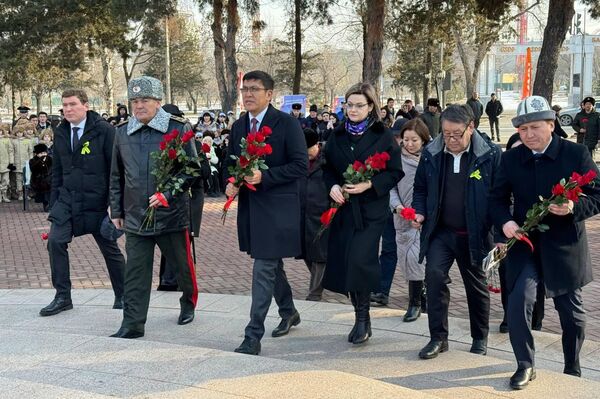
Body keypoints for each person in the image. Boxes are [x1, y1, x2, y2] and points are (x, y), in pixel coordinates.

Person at [489, 95, 600, 389]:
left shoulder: (575, 154)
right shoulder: (510, 157)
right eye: (522, 130)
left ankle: (572, 365)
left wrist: (574, 208)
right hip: (525, 244)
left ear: (551, 124)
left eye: (535, 127)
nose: (528, 135)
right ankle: (525, 364)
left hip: (564, 246)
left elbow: (597, 195)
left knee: (571, 313)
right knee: (518, 302)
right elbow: (496, 199)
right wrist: (506, 222)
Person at [109, 76, 200, 339]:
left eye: (145, 100)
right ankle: (132, 324)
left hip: (170, 214)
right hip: (136, 216)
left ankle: (188, 303)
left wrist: (168, 194)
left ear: (158, 102)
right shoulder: (122, 131)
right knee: (136, 272)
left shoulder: (178, 128)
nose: (139, 105)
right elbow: (116, 175)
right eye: (135, 101)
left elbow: (192, 169)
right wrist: (117, 211)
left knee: (182, 268)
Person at [224, 71, 307, 355]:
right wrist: (230, 181)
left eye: (255, 89)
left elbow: (300, 165)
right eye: (244, 89)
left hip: (278, 208)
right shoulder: (238, 126)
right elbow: (230, 163)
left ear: (270, 94)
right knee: (270, 265)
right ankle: (289, 311)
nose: (248, 94)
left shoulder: (286, 124)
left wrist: (265, 177)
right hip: (250, 208)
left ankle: (252, 335)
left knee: (263, 267)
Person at [412, 104, 501, 360]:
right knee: (435, 277)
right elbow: (420, 189)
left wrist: (498, 234)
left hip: (475, 233)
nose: (450, 140)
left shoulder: (490, 154)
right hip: (441, 231)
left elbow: (501, 194)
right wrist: (420, 211)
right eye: (446, 133)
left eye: (457, 134)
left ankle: (479, 337)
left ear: (471, 127)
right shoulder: (432, 152)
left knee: (476, 287)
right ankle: (438, 338)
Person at [322, 82, 403, 345]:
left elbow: (394, 171)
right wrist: (333, 185)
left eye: (359, 105)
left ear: (371, 107)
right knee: (346, 262)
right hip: (344, 209)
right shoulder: (337, 135)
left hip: (371, 210)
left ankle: (362, 317)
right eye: (349, 104)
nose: (353, 109)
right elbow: (327, 168)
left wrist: (370, 184)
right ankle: (360, 311)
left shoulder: (383, 135)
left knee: (360, 259)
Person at [40, 89, 125, 317]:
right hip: (68, 200)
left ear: (85, 106)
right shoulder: (60, 132)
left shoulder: (104, 130)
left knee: (110, 248)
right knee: (55, 242)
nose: (68, 109)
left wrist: (114, 205)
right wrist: (55, 201)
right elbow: (57, 170)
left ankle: (124, 294)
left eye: (72, 104)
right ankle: (62, 297)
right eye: (64, 105)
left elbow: (116, 169)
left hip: (99, 201)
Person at [157, 104, 211, 292]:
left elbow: (203, 172)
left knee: (182, 241)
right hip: (165, 200)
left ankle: (178, 282)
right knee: (167, 241)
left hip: (188, 200)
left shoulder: (192, 143)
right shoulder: (159, 141)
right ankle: (167, 279)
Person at [389, 118, 431, 322]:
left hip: (427, 219)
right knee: (408, 258)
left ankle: (416, 301)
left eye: (414, 140)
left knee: (419, 259)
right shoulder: (396, 159)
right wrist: (398, 207)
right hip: (403, 217)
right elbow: (391, 187)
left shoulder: (433, 159)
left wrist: (424, 213)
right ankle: (418, 297)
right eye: (406, 139)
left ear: (423, 139)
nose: (410, 144)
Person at [299, 128, 329, 301]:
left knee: (320, 255)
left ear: (316, 145)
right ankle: (323, 280)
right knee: (307, 253)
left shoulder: (327, 161)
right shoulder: (299, 161)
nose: (305, 153)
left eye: (308, 149)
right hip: (303, 213)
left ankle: (315, 292)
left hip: (323, 213)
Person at [10, 122, 34, 200]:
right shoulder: (13, 141)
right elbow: (12, 152)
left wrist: (31, 161)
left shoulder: (27, 141)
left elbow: (30, 151)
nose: (19, 134)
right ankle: (20, 194)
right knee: (18, 179)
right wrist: (12, 162)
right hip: (17, 163)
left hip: (26, 163)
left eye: (21, 132)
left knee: (26, 179)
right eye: (17, 133)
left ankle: (26, 193)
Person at [0, 123, 14, 203]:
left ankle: (4, 195)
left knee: (5, 180)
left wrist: (11, 162)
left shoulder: (7, 140)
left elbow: (10, 151)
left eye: (1, 131)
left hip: (5, 163)